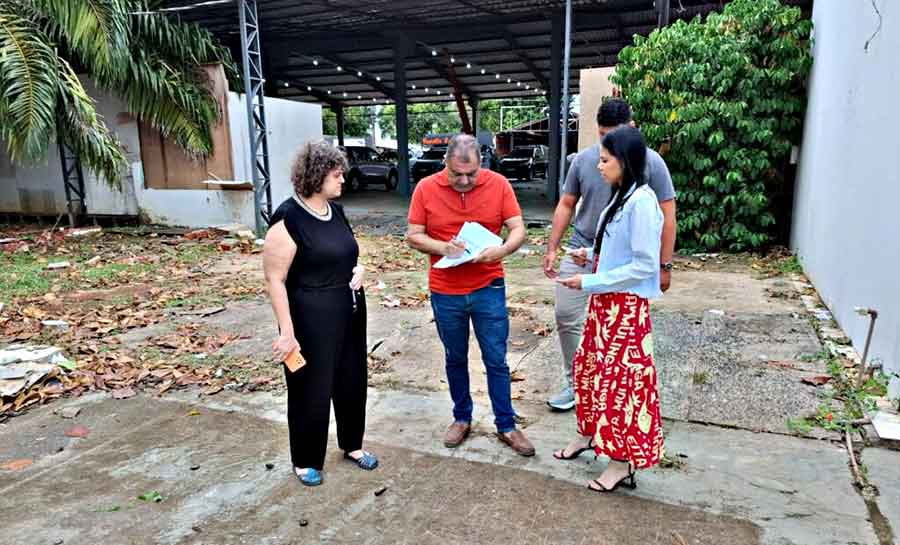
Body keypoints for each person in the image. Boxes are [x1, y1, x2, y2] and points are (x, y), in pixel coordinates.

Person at [406, 133, 535, 456]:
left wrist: (503, 249)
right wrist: (442, 248)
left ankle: (506, 424)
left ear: (483, 164)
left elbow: (518, 227)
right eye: (456, 174)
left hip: (488, 286)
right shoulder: (426, 188)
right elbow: (413, 235)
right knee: (455, 357)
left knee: (496, 359)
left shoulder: (499, 185)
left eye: (471, 174)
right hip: (446, 290)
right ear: (444, 164)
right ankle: (461, 418)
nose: (464, 180)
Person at [544, 98, 677, 411]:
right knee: (570, 318)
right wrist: (556, 247)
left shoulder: (649, 172)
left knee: (618, 335)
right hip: (587, 248)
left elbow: (665, 216)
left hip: (622, 262)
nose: (602, 160)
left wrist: (664, 266)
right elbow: (567, 203)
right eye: (603, 137)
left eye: (609, 154)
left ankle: (612, 395)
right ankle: (578, 384)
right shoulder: (590, 163)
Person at [554, 126, 664, 492]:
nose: (599, 167)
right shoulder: (622, 196)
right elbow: (620, 251)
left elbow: (645, 265)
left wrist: (588, 281)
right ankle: (588, 434)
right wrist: (590, 256)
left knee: (622, 387)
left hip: (626, 310)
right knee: (590, 373)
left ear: (626, 162)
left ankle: (621, 462)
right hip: (606, 306)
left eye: (605, 160)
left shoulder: (643, 202)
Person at [263, 141, 377, 487]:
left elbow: (344, 253)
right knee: (310, 388)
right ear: (316, 177)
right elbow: (275, 279)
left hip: (350, 310)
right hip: (310, 319)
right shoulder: (288, 219)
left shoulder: (335, 211)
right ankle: (306, 459)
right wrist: (287, 331)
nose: (343, 180)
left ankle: (352, 444)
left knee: (351, 379)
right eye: (336, 174)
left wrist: (358, 271)